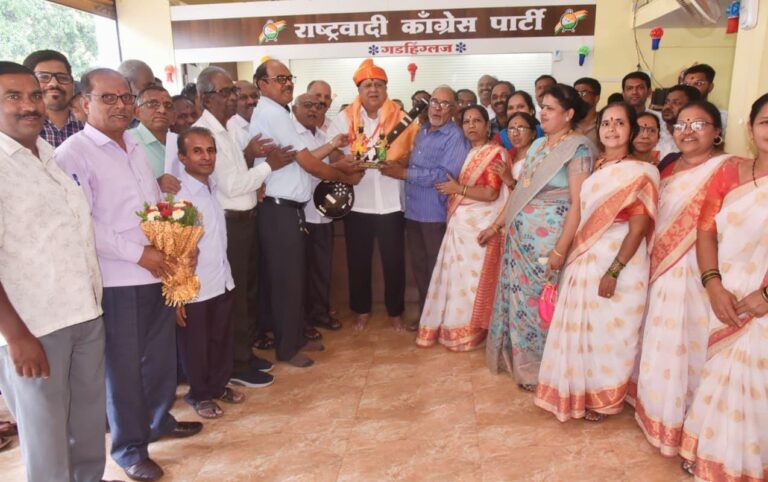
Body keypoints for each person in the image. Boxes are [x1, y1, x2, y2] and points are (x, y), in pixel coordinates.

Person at [55, 68, 202, 482]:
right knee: (123, 370)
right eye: (108, 98)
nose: (120, 105)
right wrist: (139, 254)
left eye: (125, 97)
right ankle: (129, 448)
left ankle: (157, 422)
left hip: (156, 273)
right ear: (83, 103)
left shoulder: (133, 145)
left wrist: (176, 249)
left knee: (159, 362)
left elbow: (153, 207)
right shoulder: (74, 153)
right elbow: (82, 221)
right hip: (118, 281)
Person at [0, 61, 106, 482]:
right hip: (35, 326)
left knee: (87, 425)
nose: (29, 106)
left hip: (84, 312)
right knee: (47, 439)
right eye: (13, 97)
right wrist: (16, 337)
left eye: (34, 95)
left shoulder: (46, 154)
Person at [534, 102, 659, 422]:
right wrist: (561, 252)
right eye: (606, 123)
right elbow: (581, 213)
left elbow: (639, 227)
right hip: (585, 258)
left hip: (619, 262)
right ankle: (580, 393)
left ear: (632, 130)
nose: (612, 129)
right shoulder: (598, 168)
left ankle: (605, 399)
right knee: (583, 331)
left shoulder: (642, 172)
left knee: (610, 332)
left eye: (620, 123)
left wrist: (614, 271)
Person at [634, 100, 731, 457]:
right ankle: (658, 412)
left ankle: (690, 420)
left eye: (698, 124)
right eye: (681, 125)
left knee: (692, 339)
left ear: (717, 131)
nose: (687, 131)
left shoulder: (730, 168)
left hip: (703, 270)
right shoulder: (666, 168)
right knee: (661, 336)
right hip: (663, 269)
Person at [251, 59, 362, 366]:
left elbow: (307, 157)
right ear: (262, 84)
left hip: (288, 210)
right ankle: (287, 348)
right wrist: (344, 177)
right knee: (286, 282)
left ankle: (296, 336)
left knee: (294, 279)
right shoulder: (274, 113)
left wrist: (336, 165)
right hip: (277, 210)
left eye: (289, 77)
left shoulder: (277, 113)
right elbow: (310, 164)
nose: (287, 83)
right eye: (279, 78)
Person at [680, 93, 768, 480]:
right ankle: (715, 455)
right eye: (765, 122)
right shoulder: (730, 173)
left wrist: (766, 296)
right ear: (750, 128)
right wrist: (713, 285)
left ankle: (749, 463)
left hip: (761, 302)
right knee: (720, 373)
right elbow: (706, 231)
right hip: (727, 294)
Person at [486, 84, 595, 390]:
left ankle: (548, 370)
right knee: (521, 304)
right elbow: (521, 190)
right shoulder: (537, 146)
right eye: (542, 107)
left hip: (550, 244)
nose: (542, 113)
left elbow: (579, 203)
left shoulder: (578, 148)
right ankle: (526, 368)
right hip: (520, 243)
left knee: (545, 305)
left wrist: (561, 249)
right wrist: (498, 226)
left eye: (549, 108)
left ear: (568, 114)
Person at [192, 66, 289, 386]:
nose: (233, 98)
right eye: (225, 92)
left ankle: (244, 354)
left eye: (233, 91)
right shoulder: (204, 134)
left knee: (248, 293)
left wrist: (256, 175)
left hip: (245, 220)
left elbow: (239, 176)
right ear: (205, 98)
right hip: (229, 224)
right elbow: (232, 186)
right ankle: (236, 364)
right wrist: (268, 168)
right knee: (235, 298)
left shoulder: (228, 128)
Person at [327, 59, 417, 331]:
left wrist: (400, 164)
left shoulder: (402, 118)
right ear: (359, 90)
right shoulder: (344, 118)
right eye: (367, 85)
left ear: (386, 89)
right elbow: (333, 154)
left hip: (392, 203)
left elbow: (414, 151)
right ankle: (362, 310)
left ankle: (395, 312)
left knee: (394, 262)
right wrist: (346, 165)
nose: (373, 89)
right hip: (358, 203)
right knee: (358, 261)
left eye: (378, 84)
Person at [415, 105, 509, 350]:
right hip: (460, 224)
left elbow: (491, 193)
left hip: (479, 226)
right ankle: (455, 327)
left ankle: (473, 330)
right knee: (457, 279)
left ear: (487, 126)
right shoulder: (466, 153)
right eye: (466, 121)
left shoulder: (495, 153)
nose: (471, 125)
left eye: (477, 121)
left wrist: (459, 189)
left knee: (472, 280)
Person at [380, 86, 469, 324]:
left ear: (454, 109)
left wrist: (403, 173)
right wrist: (399, 164)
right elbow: (415, 161)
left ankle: (439, 320)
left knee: (436, 269)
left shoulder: (455, 136)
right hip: (413, 211)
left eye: (445, 104)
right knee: (419, 267)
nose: (437, 108)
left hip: (435, 214)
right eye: (434, 102)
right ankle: (426, 316)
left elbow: (444, 175)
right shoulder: (423, 131)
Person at [174, 126, 243, 419]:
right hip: (194, 287)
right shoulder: (178, 195)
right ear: (182, 157)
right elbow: (172, 247)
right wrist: (178, 293)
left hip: (221, 278)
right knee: (196, 346)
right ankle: (200, 395)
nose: (206, 157)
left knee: (220, 339)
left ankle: (217, 386)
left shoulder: (212, 187)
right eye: (197, 151)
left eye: (210, 150)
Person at [292, 93, 347, 335]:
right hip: (302, 213)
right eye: (308, 105)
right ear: (294, 109)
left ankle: (320, 313)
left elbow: (330, 164)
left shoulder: (322, 134)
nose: (314, 110)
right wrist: (334, 155)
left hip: (324, 212)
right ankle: (304, 320)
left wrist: (344, 165)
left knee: (322, 268)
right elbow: (310, 164)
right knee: (302, 270)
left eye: (318, 106)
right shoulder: (292, 133)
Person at [22, 50, 83, 147]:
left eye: (62, 77)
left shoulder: (90, 124)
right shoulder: (18, 129)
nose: (54, 84)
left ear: (73, 85)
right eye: (43, 77)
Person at [129, 85, 182, 194]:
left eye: (168, 105)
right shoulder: (126, 142)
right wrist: (156, 185)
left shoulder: (181, 143)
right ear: (137, 112)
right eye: (152, 104)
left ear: (174, 116)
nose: (162, 110)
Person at [491, 112, 539, 189]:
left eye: (521, 128)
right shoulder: (506, 157)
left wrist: (511, 181)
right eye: (511, 129)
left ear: (533, 133)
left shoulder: (538, 159)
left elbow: (534, 191)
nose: (515, 133)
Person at [657, 84, 701, 160]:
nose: (668, 107)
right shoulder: (655, 129)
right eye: (666, 102)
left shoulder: (696, 137)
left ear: (691, 107)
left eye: (676, 103)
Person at [227, 80, 260, 150]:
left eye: (254, 96)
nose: (251, 101)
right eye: (243, 97)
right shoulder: (230, 129)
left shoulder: (265, 121)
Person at [573, 77, 601, 147]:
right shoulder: (568, 123)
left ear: (596, 98)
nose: (579, 97)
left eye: (583, 93)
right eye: (576, 94)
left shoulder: (604, 122)